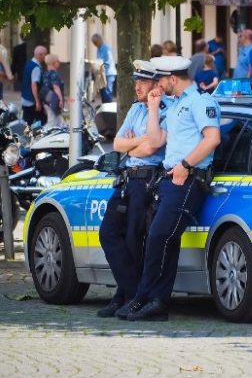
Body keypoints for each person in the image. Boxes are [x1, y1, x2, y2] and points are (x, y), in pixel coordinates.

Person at [115, 55, 221, 322]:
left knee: (159, 237)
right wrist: (152, 108)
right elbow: (156, 139)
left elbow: (212, 139)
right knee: (162, 239)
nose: (157, 85)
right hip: (169, 178)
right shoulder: (174, 105)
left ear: (173, 78)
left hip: (187, 179)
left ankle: (146, 298)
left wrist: (186, 164)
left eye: (161, 79)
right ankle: (155, 301)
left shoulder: (200, 102)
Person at [96, 59, 170, 318]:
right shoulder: (135, 110)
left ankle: (125, 297)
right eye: (136, 81)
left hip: (146, 181)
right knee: (107, 233)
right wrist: (135, 143)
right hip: (126, 179)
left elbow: (152, 147)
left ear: (156, 84)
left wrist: (133, 144)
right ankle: (130, 292)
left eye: (142, 81)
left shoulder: (164, 109)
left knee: (132, 241)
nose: (137, 86)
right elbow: (116, 144)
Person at [21, 45, 47, 125]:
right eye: (45, 54)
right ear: (40, 54)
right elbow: (34, 85)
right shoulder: (36, 68)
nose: (45, 57)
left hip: (25, 98)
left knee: (27, 122)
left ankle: (27, 136)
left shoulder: (28, 64)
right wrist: (37, 101)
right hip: (32, 101)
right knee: (42, 121)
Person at [39, 54, 65, 127]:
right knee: (52, 121)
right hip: (54, 101)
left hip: (47, 101)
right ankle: (42, 135)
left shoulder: (45, 73)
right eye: (58, 61)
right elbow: (56, 87)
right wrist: (61, 99)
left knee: (58, 120)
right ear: (53, 62)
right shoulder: (54, 74)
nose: (59, 62)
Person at [91, 33, 117, 102]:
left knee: (107, 92)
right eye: (94, 43)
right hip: (102, 74)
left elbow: (108, 61)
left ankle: (108, 110)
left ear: (99, 41)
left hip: (108, 73)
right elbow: (98, 60)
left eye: (95, 43)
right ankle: (104, 108)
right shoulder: (98, 49)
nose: (95, 44)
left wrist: (101, 67)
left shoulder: (106, 48)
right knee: (102, 92)